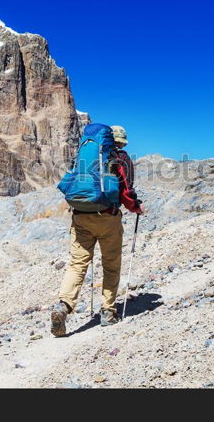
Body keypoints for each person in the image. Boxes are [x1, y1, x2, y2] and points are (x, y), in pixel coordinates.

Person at [51, 125, 144, 337]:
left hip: (80, 215)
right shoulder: (119, 158)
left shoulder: (83, 157)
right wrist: (136, 207)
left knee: (77, 263)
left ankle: (64, 305)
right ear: (119, 141)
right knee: (111, 265)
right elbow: (126, 192)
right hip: (107, 217)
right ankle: (108, 312)